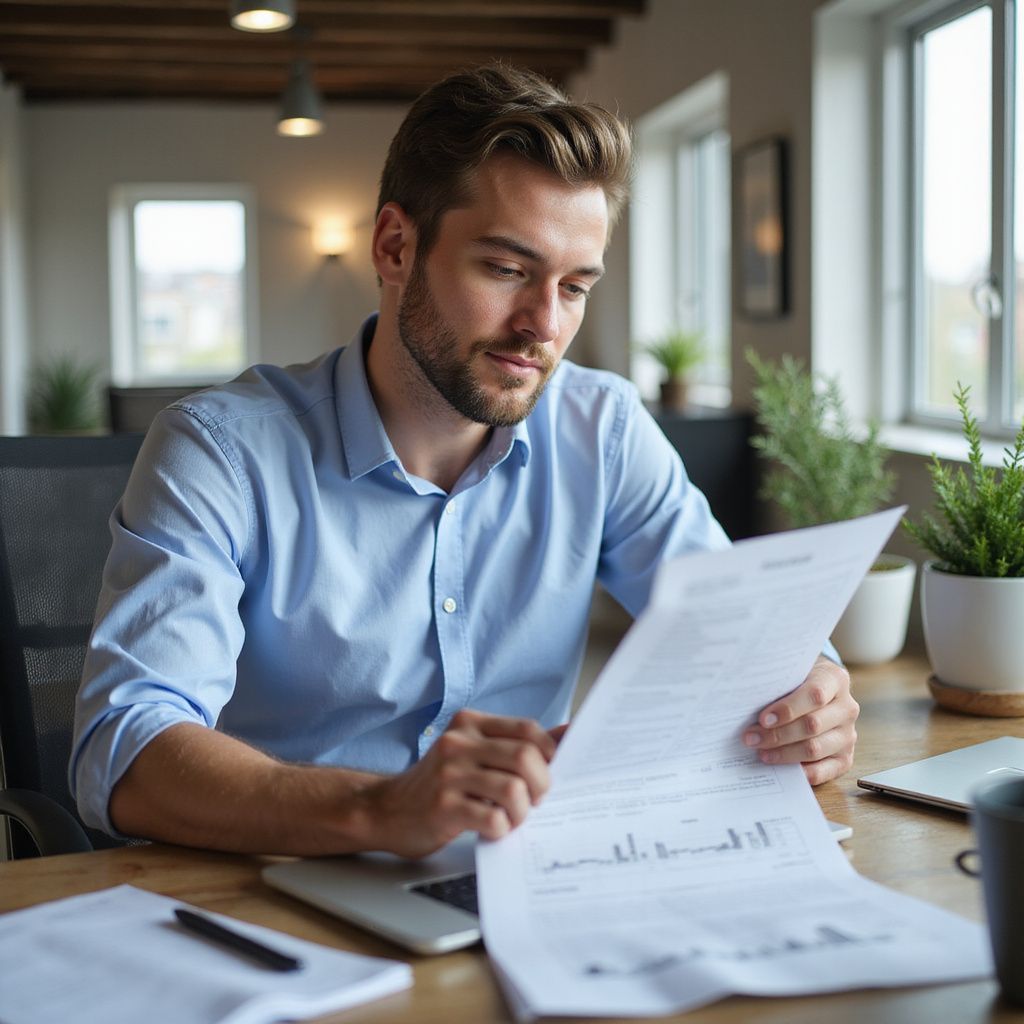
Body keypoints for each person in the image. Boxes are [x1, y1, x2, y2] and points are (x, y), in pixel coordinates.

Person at [70, 64, 856, 859]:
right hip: (275, 892)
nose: (543, 326)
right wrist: (378, 810)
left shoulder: (604, 428)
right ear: (395, 246)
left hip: (532, 882)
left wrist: (810, 695)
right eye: (507, 270)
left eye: (574, 286)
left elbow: (740, 631)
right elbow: (126, 749)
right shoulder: (219, 451)